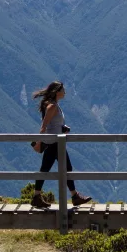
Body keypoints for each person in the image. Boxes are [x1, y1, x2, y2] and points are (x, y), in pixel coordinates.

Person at [30, 81, 93, 209]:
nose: (65, 92)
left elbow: (52, 125)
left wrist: (62, 128)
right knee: (65, 168)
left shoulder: (54, 105)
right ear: (57, 92)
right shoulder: (52, 106)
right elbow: (44, 126)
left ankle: (37, 197)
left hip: (54, 142)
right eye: (63, 90)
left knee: (46, 169)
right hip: (54, 143)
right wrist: (38, 143)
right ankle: (74, 196)